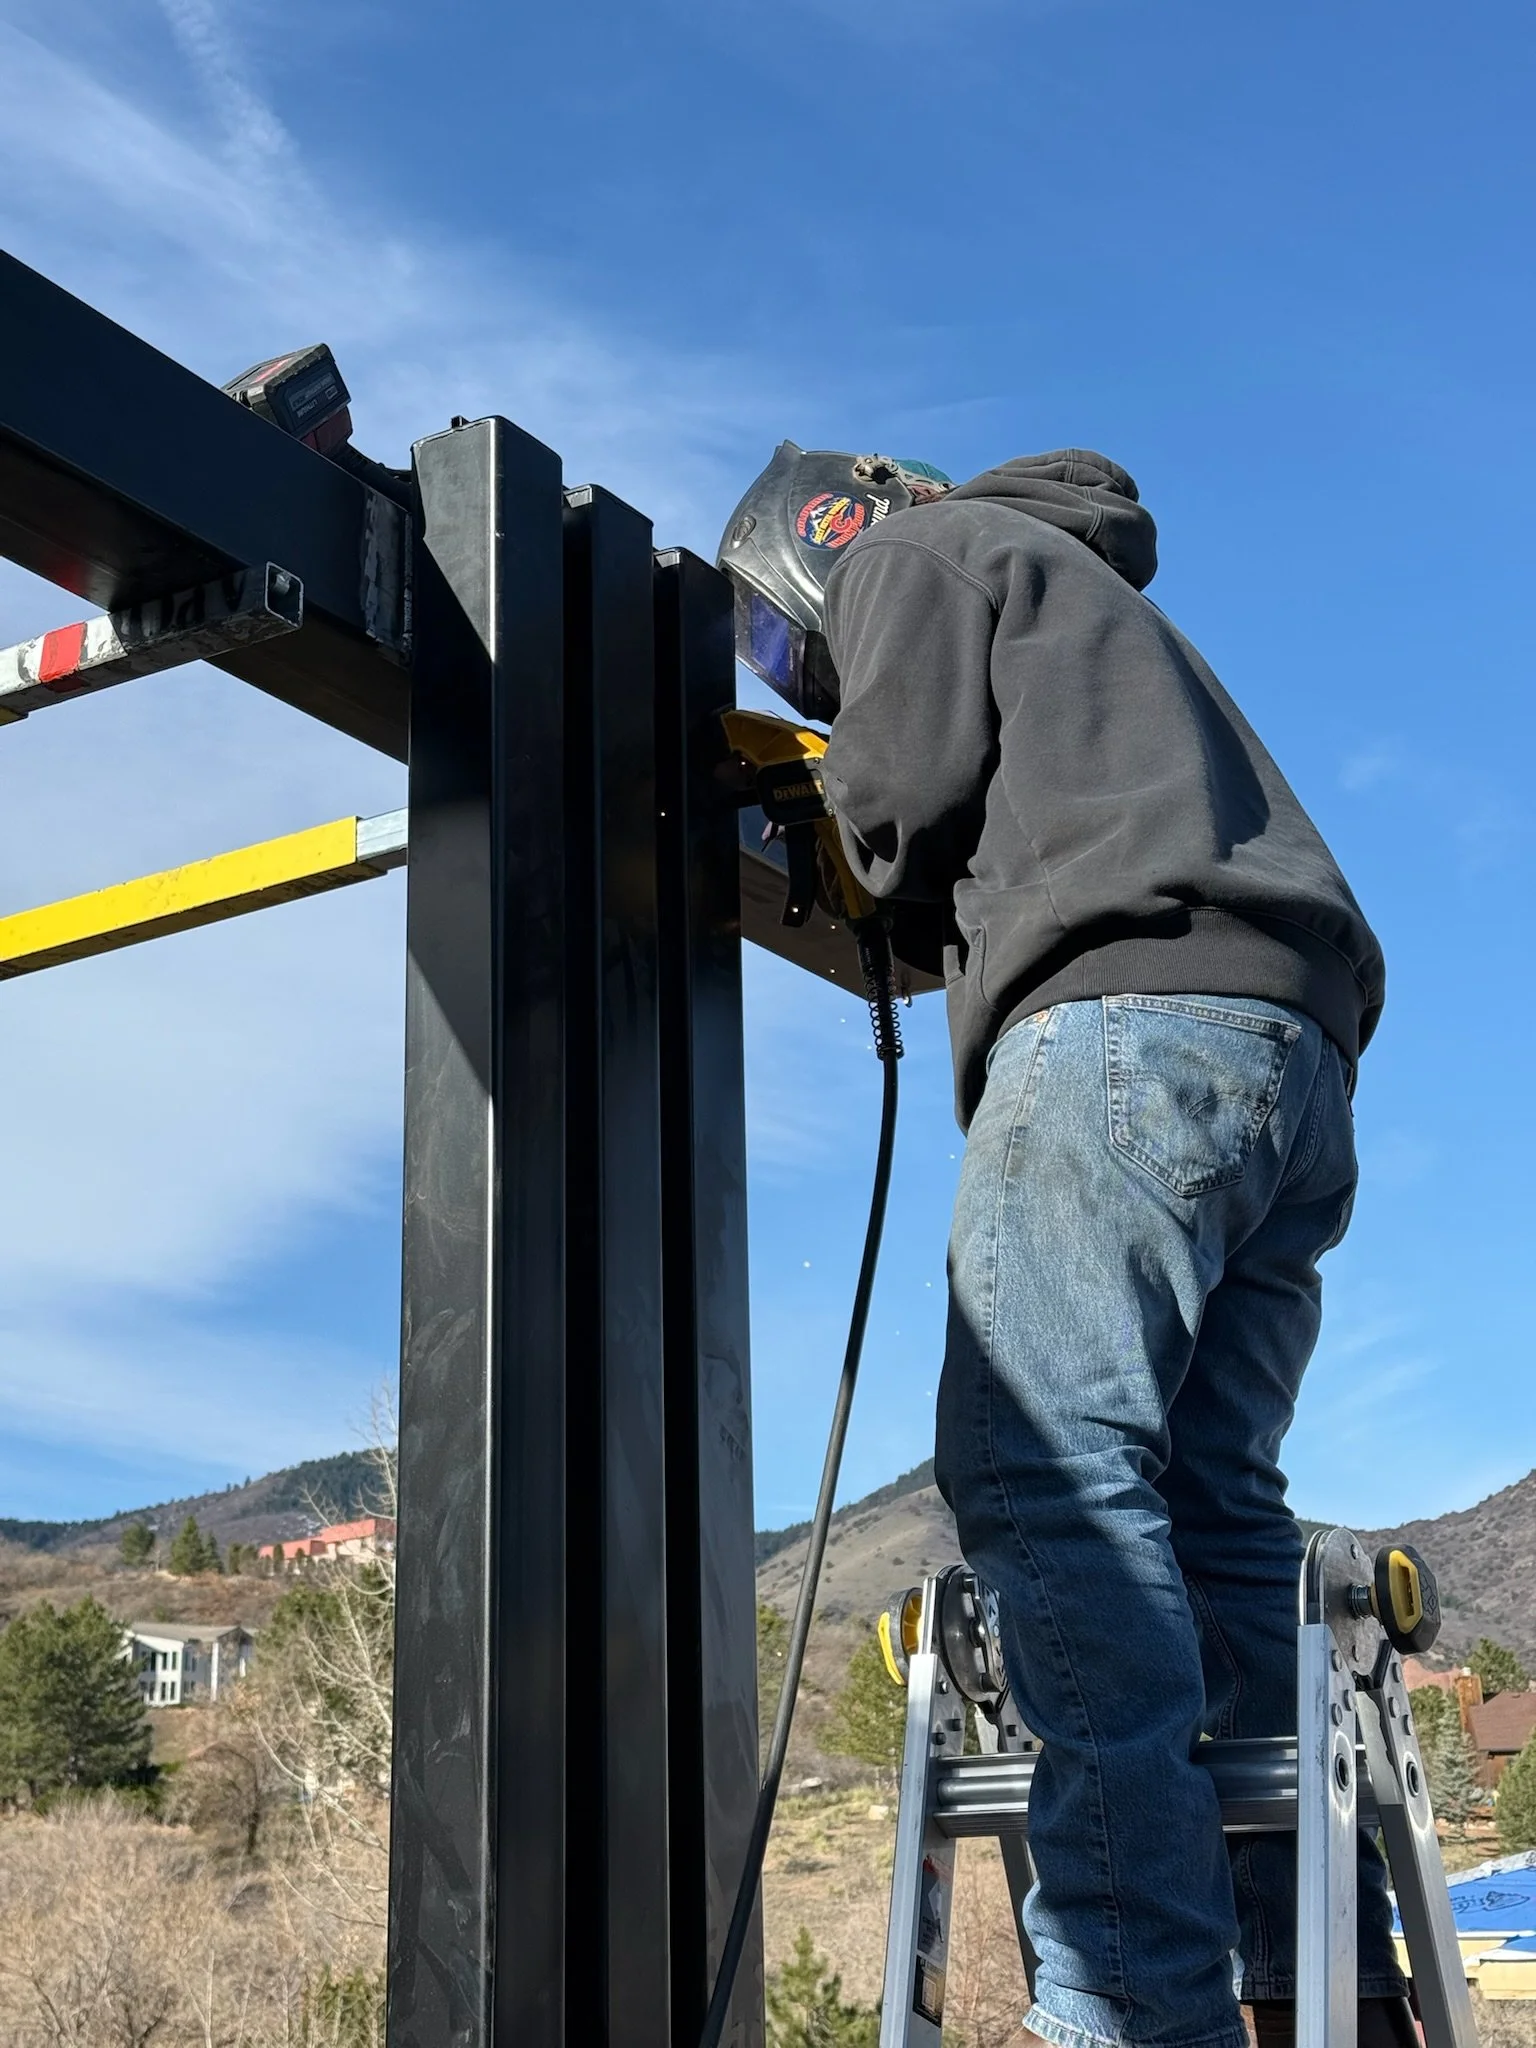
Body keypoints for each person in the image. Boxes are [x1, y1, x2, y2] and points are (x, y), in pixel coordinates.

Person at [718, 446, 1414, 2048]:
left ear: (819, 545)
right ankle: (1313, 1982)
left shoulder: (918, 556)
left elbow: (889, 801)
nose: (804, 671)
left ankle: (1130, 2012)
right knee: (1213, 1505)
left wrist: (834, 810)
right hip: (1293, 1060)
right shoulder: (1081, 603)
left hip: (1125, 1030)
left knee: (1050, 1483)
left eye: (785, 642)